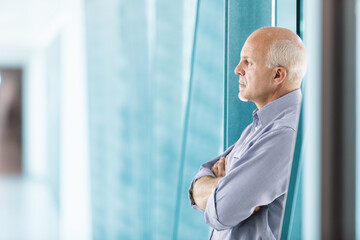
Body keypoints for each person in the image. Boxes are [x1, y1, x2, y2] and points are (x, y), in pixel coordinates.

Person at [188, 27, 307, 240]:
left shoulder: (285, 134)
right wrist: (226, 186)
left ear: (278, 75)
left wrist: (227, 190)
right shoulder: (262, 125)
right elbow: (198, 182)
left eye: (248, 62)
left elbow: (222, 211)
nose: (237, 69)